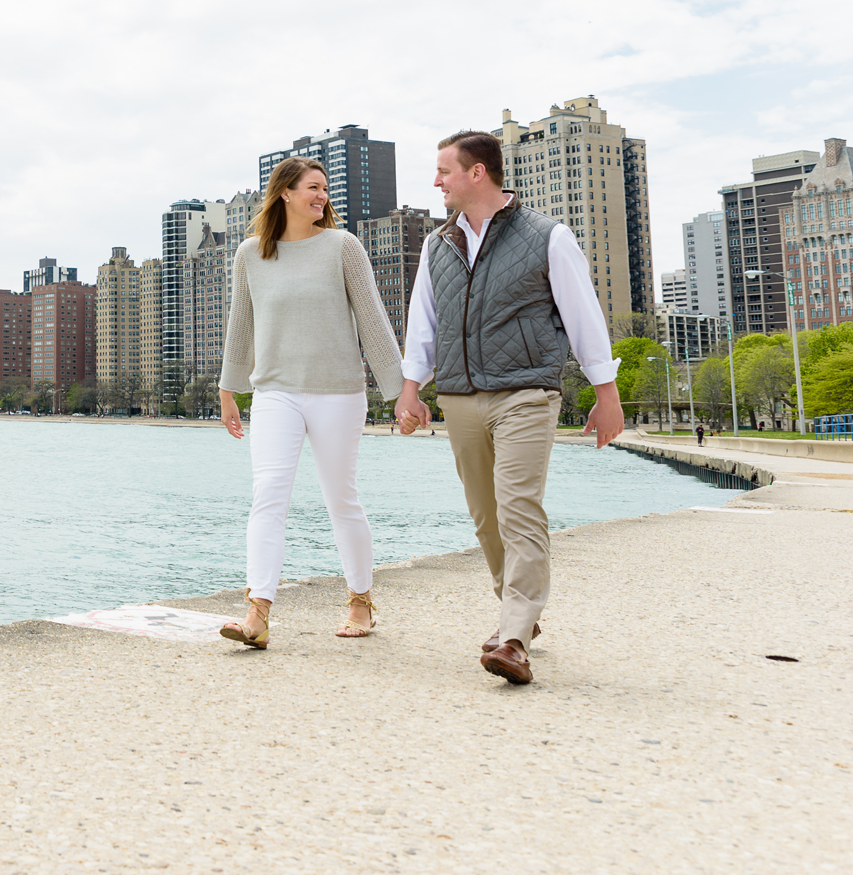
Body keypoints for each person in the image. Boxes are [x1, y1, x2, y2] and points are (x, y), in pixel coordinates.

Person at [395, 132, 624, 686]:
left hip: (526, 390)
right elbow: (424, 322)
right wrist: (411, 388)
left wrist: (606, 391)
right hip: (459, 395)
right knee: (485, 515)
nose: (436, 181)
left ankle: (514, 635)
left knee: (518, 506)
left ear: (478, 174)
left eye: (444, 170)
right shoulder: (436, 245)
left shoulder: (548, 235)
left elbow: (582, 315)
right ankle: (518, 614)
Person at [216, 157, 406, 649]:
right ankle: (257, 612)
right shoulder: (250, 254)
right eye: (312, 188)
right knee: (269, 494)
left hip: (338, 392)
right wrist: (228, 389)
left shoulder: (343, 246)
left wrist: (400, 391)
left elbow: (373, 320)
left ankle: (361, 600)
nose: (321, 196)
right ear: (284, 193)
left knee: (340, 498)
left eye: (324, 189)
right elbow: (242, 324)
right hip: (274, 390)